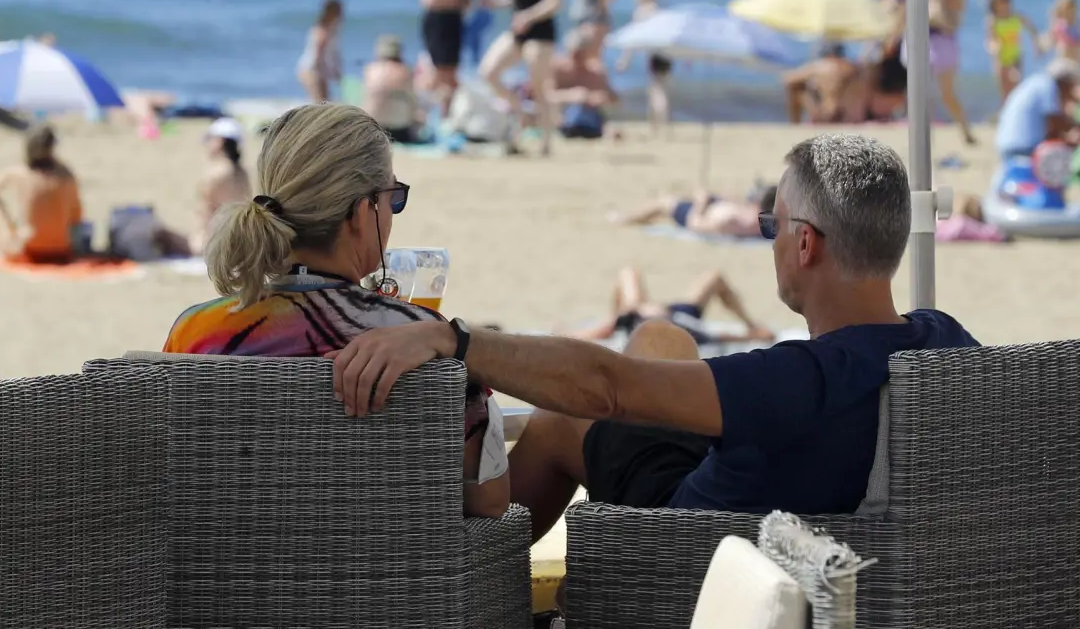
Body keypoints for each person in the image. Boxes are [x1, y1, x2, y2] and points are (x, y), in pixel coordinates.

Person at [329, 134, 978, 541]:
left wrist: (453, 339)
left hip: (697, 548)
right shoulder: (949, 345)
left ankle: (483, 567)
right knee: (662, 337)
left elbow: (607, 389)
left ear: (805, 244)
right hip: (812, 521)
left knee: (561, 422)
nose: (771, 240)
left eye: (771, 225)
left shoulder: (796, 380)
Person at [163, 103, 508, 519]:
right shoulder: (424, 342)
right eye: (392, 199)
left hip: (222, 576)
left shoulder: (197, 332)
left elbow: (173, 480)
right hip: (385, 579)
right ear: (362, 213)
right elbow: (489, 502)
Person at [477, 0, 561, 156]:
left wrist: (529, 16)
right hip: (519, 31)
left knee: (538, 86)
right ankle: (522, 113)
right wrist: (492, 2)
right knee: (488, 72)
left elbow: (555, 0)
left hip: (541, 32)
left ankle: (545, 143)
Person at [567, 267, 774, 346]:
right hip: (675, 316)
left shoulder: (631, 316)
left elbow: (597, 333)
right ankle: (751, 324)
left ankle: (749, 322)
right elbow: (716, 336)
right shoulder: (680, 331)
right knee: (713, 277)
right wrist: (753, 336)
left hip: (653, 313)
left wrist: (569, 334)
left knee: (629, 275)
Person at [897, 0, 976, 144]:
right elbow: (902, 11)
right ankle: (923, 135)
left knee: (946, 93)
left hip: (941, 39)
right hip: (918, 36)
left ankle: (964, 129)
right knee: (918, 91)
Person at [0, 124, 83, 263]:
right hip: (63, 249)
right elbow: (78, 215)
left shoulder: (22, 173)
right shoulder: (67, 174)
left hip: (29, 250)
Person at [995, 58, 1080, 164]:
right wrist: (1078, 127)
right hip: (1024, 149)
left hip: (1006, 145)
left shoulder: (1036, 82)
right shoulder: (1048, 87)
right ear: (1065, 83)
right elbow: (1054, 126)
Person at [614, 0, 673, 136]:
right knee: (662, 88)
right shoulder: (660, 9)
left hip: (655, 55)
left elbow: (633, 39)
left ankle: (657, 124)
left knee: (656, 90)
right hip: (667, 54)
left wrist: (624, 59)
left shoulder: (642, 12)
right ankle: (661, 123)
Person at [612, 185, 776, 239]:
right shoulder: (758, 217)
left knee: (665, 202)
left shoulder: (735, 221)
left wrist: (700, 204)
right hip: (713, 207)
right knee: (676, 199)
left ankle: (629, 219)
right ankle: (635, 218)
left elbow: (695, 224)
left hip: (699, 213)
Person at [190, 117, 252, 255]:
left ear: (220, 142)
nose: (207, 145)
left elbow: (205, 212)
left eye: (210, 140)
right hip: (240, 239)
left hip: (214, 241)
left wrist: (199, 241)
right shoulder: (242, 173)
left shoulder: (216, 174)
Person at [549, 32, 619, 140]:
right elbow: (546, 95)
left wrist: (598, 97)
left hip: (591, 117)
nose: (577, 58)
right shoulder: (559, 69)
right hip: (563, 116)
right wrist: (571, 96)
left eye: (580, 54)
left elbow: (614, 98)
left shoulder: (595, 71)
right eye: (574, 54)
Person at [362, 35, 423, 144]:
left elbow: (366, 98)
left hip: (374, 127)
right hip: (399, 129)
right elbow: (413, 103)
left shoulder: (370, 70)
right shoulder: (406, 71)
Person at [985, 0, 1043, 103]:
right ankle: (1006, 115)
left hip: (1015, 57)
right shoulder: (993, 20)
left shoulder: (1017, 17)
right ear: (995, 4)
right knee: (1005, 91)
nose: (1004, 5)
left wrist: (1037, 46)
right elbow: (989, 41)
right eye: (1001, 2)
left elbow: (1033, 30)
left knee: (1016, 83)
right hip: (1000, 58)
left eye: (1006, 2)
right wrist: (994, 47)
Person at [295, 0, 344, 103]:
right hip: (311, 69)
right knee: (320, 103)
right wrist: (331, 72)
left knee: (323, 102)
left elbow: (332, 54)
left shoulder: (330, 29)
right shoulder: (321, 31)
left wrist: (335, 71)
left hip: (316, 70)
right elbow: (318, 57)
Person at [1045, 0, 1080, 71]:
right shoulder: (1059, 26)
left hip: (1076, 65)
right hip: (1062, 63)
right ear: (1063, 11)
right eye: (1068, 10)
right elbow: (1052, 42)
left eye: (1073, 10)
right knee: (1063, 46)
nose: (1071, 14)